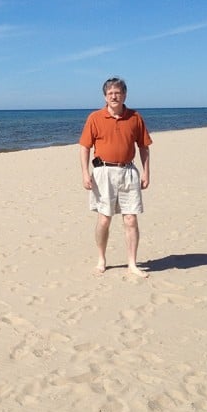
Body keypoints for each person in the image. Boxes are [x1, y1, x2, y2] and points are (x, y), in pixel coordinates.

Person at [79, 77, 152, 277]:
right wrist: (85, 173)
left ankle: (132, 264)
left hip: (128, 171)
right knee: (104, 219)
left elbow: (144, 147)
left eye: (117, 93)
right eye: (110, 93)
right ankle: (101, 259)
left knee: (130, 219)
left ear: (124, 95)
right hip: (103, 172)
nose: (114, 96)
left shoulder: (135, 117)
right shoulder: (95, 118)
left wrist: (146, 172)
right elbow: (85, 147)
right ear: (105, 96)